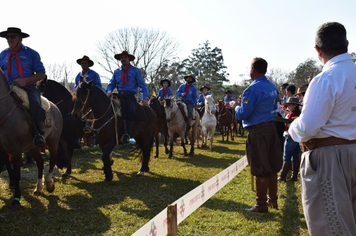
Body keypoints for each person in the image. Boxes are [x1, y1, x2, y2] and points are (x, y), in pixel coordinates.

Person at [289, 22, 356, 235]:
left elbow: (308, 127)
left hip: (331, 158)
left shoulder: (326, 78)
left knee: (332, 228)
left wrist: (292, 128)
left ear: (318, 50)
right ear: (346, 43)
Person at [227, 57, 282, 213]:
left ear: (253, 69)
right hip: (272, 128)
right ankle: (273, 200)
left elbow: (244, 114)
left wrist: (235, 106)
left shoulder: (252, 89)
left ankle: (261, 204)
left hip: (259, 131)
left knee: (259, 165)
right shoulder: (272, 86)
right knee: (271, 164)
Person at [0, 27, 46, 147]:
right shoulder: (3, 54)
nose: (10, 39)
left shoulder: (31, 53)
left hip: (28, 87)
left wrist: (25, 80)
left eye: (13, 37)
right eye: (7, 37)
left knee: (35, 103)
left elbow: (41, 74)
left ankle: (38, 133)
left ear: (20, 38)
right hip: (7, 89)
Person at [106, 51, 149, 143]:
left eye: (125, 57)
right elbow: (111, 83)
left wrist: (145, 97)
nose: (123, 59)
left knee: (130, 111)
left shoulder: (136, 71)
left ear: (129, 59)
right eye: (121, 57)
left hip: (130, 96)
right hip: (119, 94)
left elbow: (143, 85)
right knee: (107, 108)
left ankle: (128, 134)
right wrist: (109, 91)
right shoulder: (116, 72)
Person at [277, 97, 301, 182]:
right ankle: (294, 176)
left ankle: (282, 176)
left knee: (287, 156)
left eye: (290, 105)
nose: (288, 106)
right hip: (296, 137)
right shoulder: (295, 113)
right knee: (295, 157)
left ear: (295, 105)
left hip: (290, 136)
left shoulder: (294, 114)